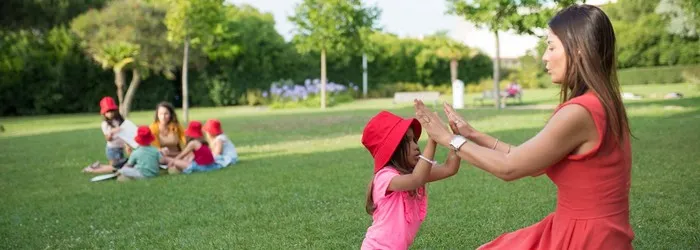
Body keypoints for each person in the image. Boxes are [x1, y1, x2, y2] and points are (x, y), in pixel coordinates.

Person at [414, 4, 634, 249]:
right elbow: (529, 161)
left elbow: (510, 168)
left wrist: (448, 139)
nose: (544, 57)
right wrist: (472, 134)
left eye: (551, 47)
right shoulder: (603, 102)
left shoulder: (580, 112)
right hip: (589, 230)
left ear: (579, 50)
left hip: (587, 238)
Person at [360, 111, 461, 250]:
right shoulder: (384, 177)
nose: (415, 145)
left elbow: (450, 168)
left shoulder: (414, 173)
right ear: (392, 150)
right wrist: (433, 139)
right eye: (407, 141)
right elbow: (416, 180)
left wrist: (456, 138)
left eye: (414, 140)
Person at [83, 97, 128, 173]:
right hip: (113, 149)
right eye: (107, 112)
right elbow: (108, 139)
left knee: (120, 166)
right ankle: (91, 169)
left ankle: (97, 166)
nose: (110, 114)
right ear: (104, 113)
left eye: (112, 111)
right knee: (115, 168)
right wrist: (112, 132)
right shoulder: (105, 124)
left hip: (121, 148)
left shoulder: (118, 121)